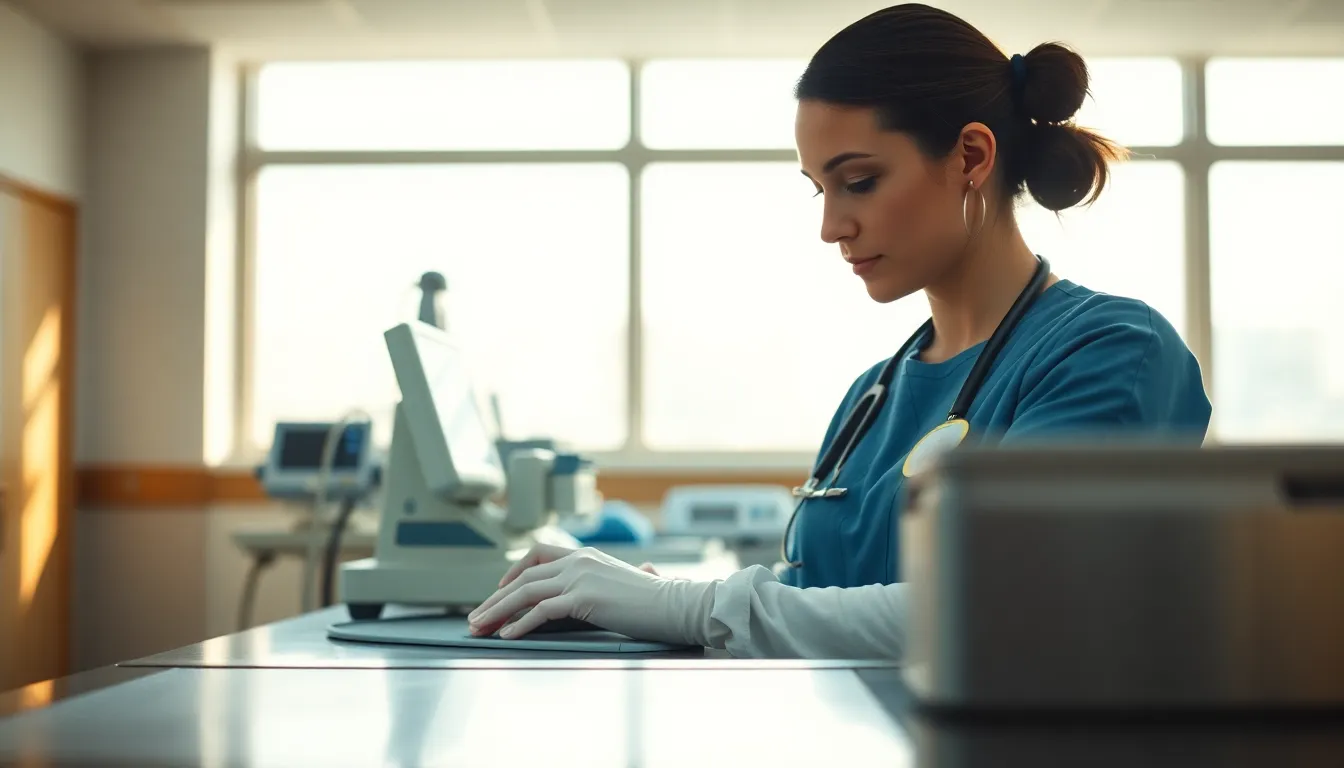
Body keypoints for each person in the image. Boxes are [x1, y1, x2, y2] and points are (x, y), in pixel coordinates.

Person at [467, 3, 1212, 658]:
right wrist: (649, 596)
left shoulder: (1110, 350)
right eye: (820, 189)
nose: (831, 227)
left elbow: (994, 611)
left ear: (971, 156)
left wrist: (688, 607)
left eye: (859, 182)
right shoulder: (873, 397)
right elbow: (817, 602)